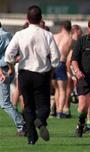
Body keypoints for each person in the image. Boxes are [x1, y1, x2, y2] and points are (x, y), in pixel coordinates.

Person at [4, 5, 60, 144]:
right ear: (41, 18)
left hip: (24, 74)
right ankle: (40, 121)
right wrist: (51, 69)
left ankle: (31, 138)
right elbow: (56, 58)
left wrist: (11, 68)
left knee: (27, 106)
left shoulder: (19, 34)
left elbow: (8, 56)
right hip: (41, 74)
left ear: (27, 19)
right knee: (44, 106)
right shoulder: (47, 35)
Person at [0, 22, 26, 136]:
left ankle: (22, 125)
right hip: (10, 69)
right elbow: (16, 55)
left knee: (5, 103)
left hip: (3, 70)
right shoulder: (8, 34)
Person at [53, 20, 73, 119]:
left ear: (62, 27)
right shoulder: (70, 38)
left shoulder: (54, 36)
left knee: (56, 88)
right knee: (62, 90)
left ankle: (56, 110)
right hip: (61, 63)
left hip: (52, 64)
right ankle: (60, 111)